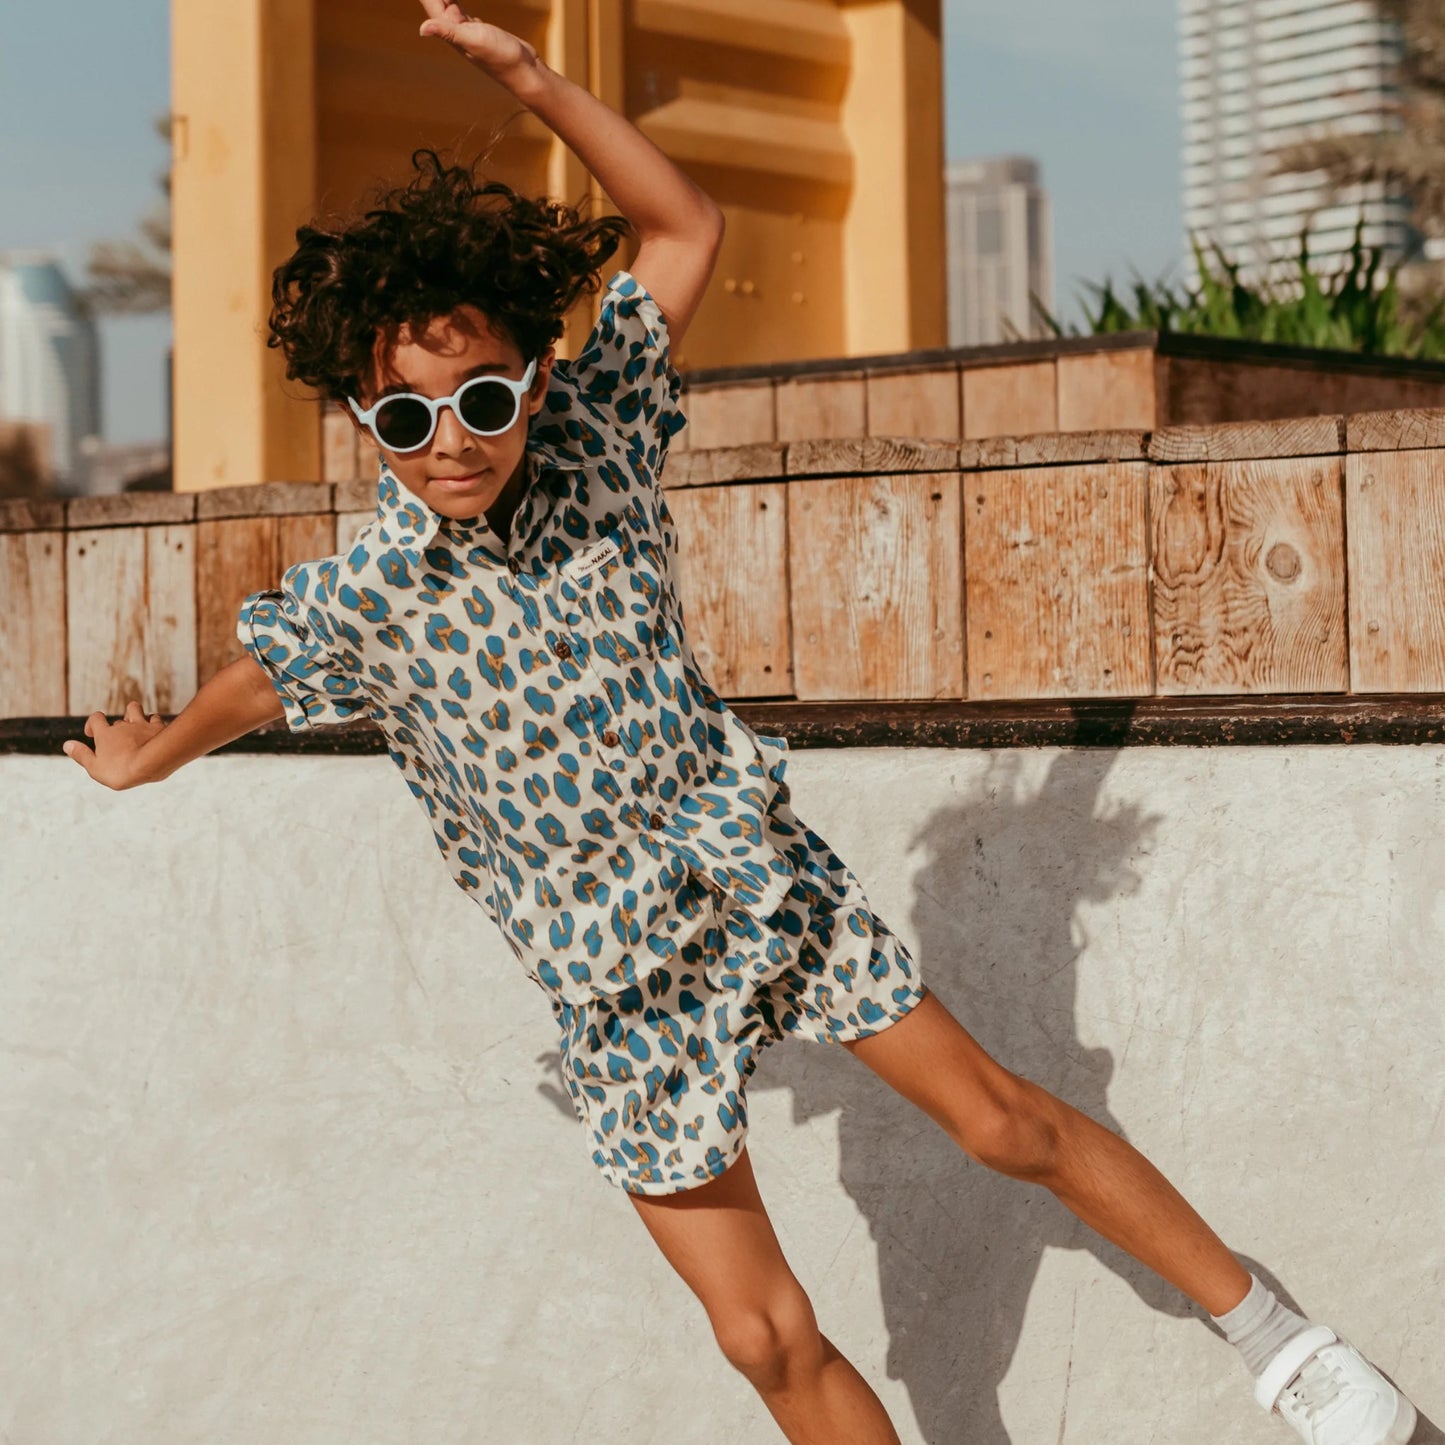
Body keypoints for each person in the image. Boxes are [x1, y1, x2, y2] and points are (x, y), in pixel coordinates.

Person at [61, 6, 1420, 1443]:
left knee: (1003, 1123)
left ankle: (1287, 1349)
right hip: (609, 981)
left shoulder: (595, 440)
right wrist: (149, 756)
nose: (451, 441)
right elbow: (255, 681)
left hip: (750, 877)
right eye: (407, 419)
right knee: (760, 1335)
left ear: (534, 378)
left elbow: (684, 227)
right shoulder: (367, 595)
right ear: (361, 417)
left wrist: (534, 82)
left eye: (480, 399)